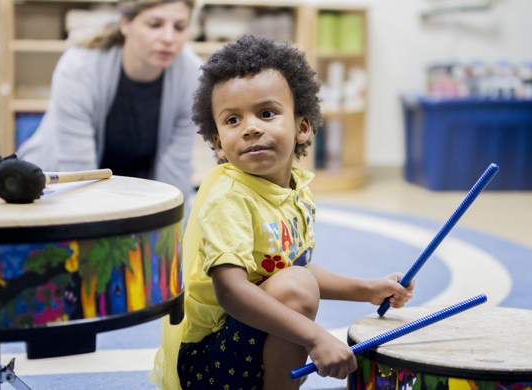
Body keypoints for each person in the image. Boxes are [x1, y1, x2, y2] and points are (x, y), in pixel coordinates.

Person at [149, 35, 415, 390]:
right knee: (297, 285)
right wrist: (316, 337)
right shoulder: (230, 198)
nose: (251, 127)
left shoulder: (294, 191)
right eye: (232, 120)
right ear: (219, 145)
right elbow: (232, 291)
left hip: (244, 345)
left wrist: (368, 289)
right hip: (208, 364)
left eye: (267, 113)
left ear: (302, 127)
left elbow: (289, 266)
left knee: (296, 280)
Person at [16, 0, 202, 201]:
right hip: (56, 189)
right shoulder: (79, 67)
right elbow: (78, 174)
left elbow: (175, 172)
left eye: (179, 27)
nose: (169, 38)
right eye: (155, 25)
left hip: (134, 191)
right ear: (125, 24)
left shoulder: (190, 74)